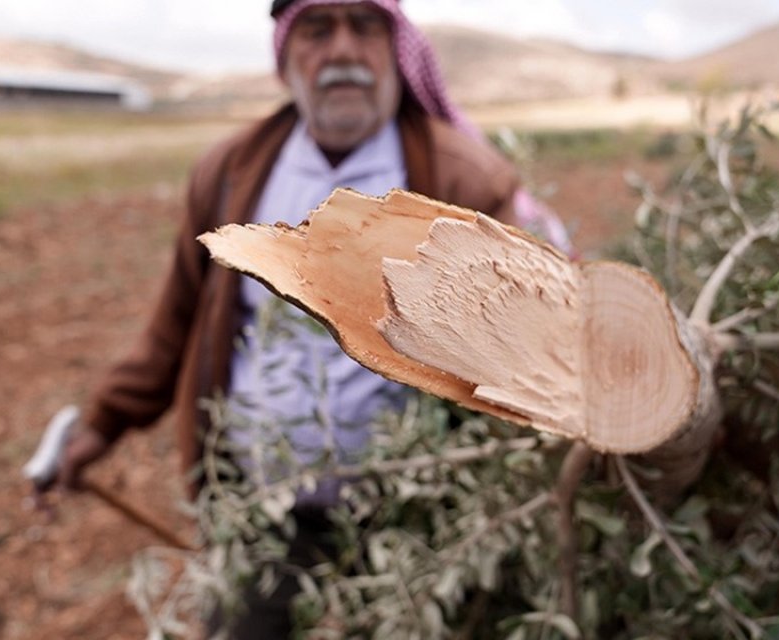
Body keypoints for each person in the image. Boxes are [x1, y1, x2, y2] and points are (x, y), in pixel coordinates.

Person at [51, 0, 569, 636]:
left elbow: (528, 348)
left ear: (395, 46)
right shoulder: (230, 173)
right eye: (318, 29)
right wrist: (102, 424)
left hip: (418, 522)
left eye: (364, 25)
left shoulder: (460, 178)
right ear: (286, 56)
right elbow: (176, 322)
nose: (343, 50)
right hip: (261, 514)